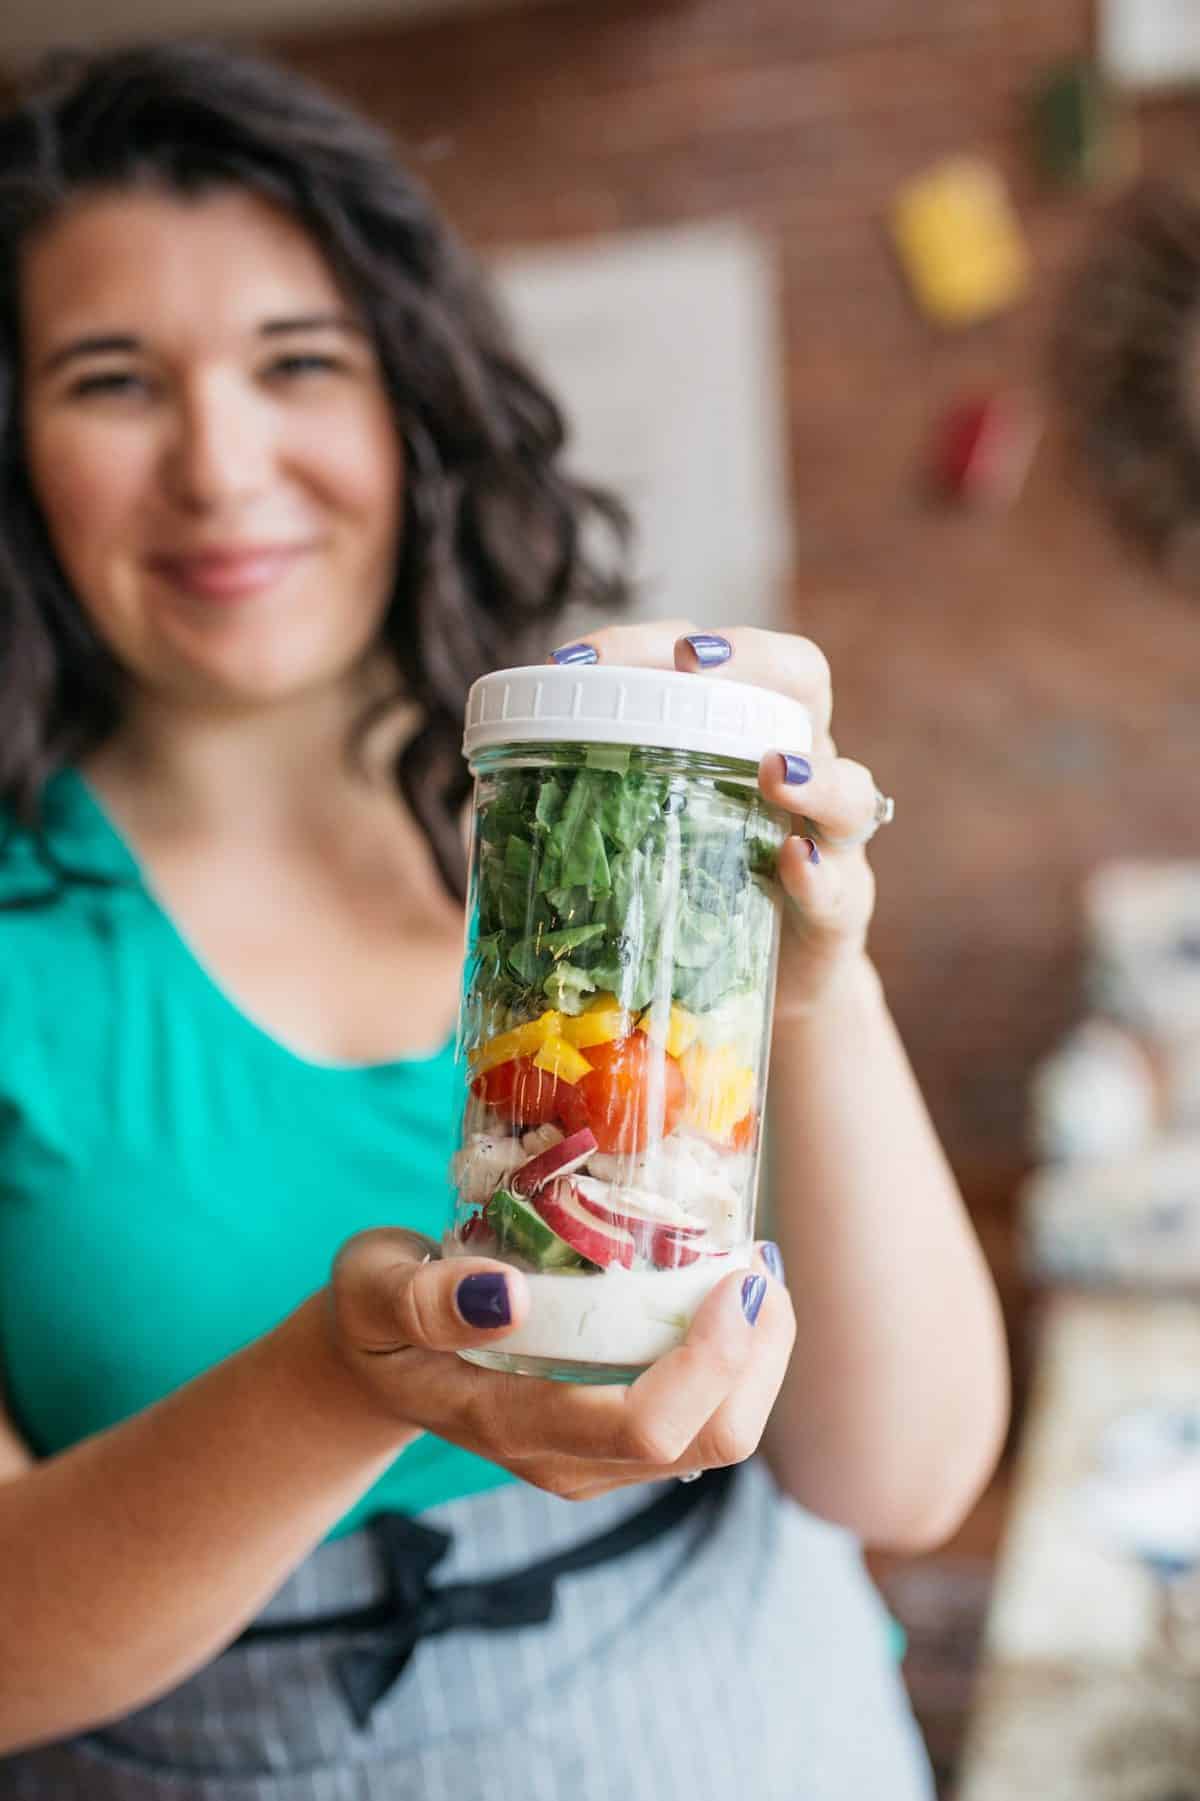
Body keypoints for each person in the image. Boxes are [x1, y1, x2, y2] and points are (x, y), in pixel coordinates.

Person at [0, 40, 1009, 1800]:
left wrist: (816, 984)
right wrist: (356, 1377)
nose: (222, 464)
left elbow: (906, 1479)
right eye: (112, 381)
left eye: (296, 361)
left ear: (411, 395)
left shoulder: (611, 829)